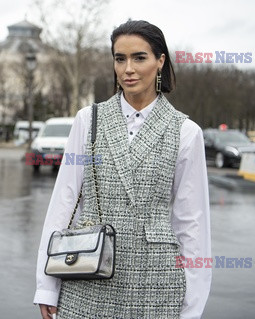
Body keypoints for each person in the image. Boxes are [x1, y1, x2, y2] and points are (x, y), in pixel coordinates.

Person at [34, 20, 211, 319]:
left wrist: (192, 308)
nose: (128, 68)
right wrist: (46, 285)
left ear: (160, 62)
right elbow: (63, 203)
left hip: (156, 283)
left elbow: (192, 224)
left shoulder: (186, 132)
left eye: (139, 57)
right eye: (120, 58)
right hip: (86, 274)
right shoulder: (88, 120)